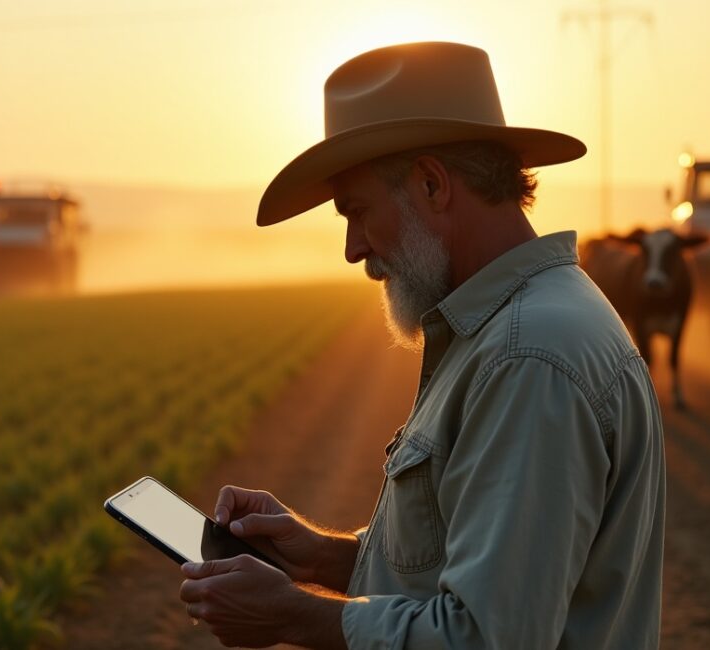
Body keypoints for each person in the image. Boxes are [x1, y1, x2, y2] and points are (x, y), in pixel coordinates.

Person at [177, 42, 665, 649]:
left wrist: (291, 615)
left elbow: (486, 636)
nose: (353, 248)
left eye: (356, 211)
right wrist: (321, 558)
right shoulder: (516, 326)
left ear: (432, 184)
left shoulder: (527, 357)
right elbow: (469, 565)